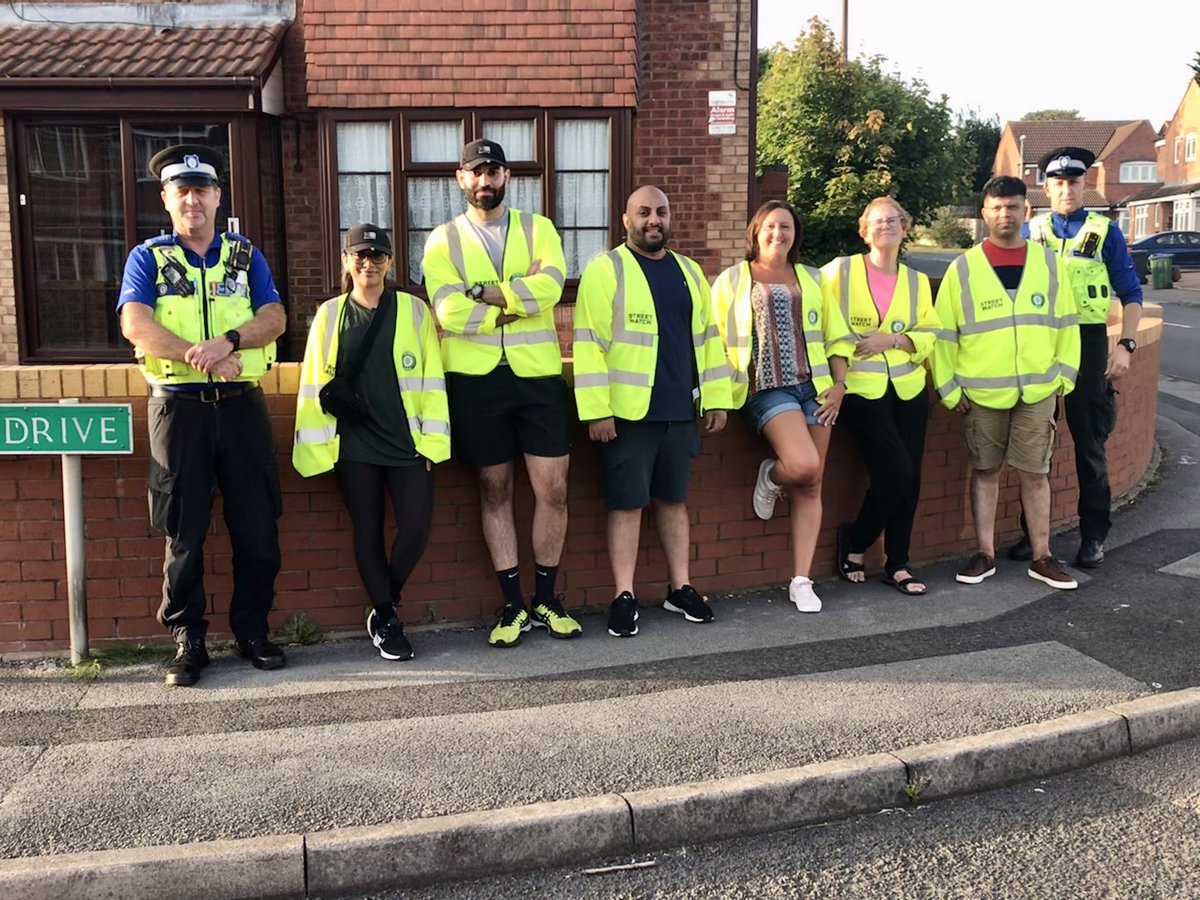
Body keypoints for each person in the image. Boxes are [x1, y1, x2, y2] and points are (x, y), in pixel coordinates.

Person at [117, 144, 287, 686]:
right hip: (178, 410)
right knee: (183, 531)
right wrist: (200, 354)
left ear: (217, 197)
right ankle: (189, 641)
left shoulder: (244, 255)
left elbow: (276, 316)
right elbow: (135, 324)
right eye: (181, 190)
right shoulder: (148, 258)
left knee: (257, 525)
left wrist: (229, 340)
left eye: (202, 189)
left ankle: (253, 631)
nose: (193, 199)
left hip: (241, 407)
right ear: (166, 199)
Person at [421, 139, 580, 647]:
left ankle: (547, 600)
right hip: (477, 380)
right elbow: (445, 310)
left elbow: (553, 286)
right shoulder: (442, 239)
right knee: (495, 490)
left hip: (537, 376)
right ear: (460, 179)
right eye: (475, 173)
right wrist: (513, 301)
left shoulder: (540, 229)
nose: (484, 180)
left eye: (493, 171)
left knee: (553, 490)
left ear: (507, 176)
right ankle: (512, 607)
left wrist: (480, 293)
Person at [575, 185, 733, 637]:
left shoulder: (689, 270)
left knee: (673, 501)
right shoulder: (608, 269)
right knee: (627, 506)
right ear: (626, 220)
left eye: (661, 212)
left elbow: (708, 338)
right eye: (643, 212)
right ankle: (623, 595)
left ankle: (680, 587)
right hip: (626, 414)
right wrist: (597, 411)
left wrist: (717, 397)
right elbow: (589, 344)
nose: (653, 220)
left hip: (680, 411)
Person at [293, 225, 450, 661]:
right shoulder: (329, 314)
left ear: (390, 262)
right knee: (368, 529)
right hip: (354, 445)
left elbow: (432, 379)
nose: (369, 262)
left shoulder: (415, 311)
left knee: (415, 530)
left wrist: (432, 442)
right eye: (360, 255)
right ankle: (388, 618)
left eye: (378, 255)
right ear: (346, 260)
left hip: (406, 442)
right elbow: (314, 381)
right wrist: (318, 444)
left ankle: (387, 599)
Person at [932, 175, 1081, 591]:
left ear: (1026, 211)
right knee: (985, 471)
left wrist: (1062, 380)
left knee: (1035, 473)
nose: (1005, 214)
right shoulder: (963, 268)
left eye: (1013, 206)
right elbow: (944, 334)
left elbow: (1067, 325)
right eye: (997, 208)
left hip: (1037, 390)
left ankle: (1043, 556)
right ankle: (984, 553)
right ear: (984, 214)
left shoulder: (1049, 264)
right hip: (981, 392)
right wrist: (948, 389)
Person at [1004, 146, 1144, 569]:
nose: (1066, 189)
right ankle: (1035, 535)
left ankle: (1093, 536)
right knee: (1036, 443)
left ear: (1086, 184)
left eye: (1074, 181)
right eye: (1059, 182)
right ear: (1046, 187)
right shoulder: (1032, 231)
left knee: (1089, 444)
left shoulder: (1105, 231)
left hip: (1087, 343)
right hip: (1041, 343)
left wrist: (1126, 345)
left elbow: (1132, 294)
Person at [711, 200, 845, 613]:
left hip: (815, 387)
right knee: (802, 466)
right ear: (756, 231)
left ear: (794, 233)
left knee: (813, 481)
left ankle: (801, 580)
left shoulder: (813, 278)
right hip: (765, 389)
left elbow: (836, 336)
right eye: (770, 226)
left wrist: (840, 385)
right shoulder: (733, 279)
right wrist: (716, 397)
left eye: (785, 227)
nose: (778, 234)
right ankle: (770, 473)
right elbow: (711, 342)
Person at [822, 197, 941, 596]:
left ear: (905, 228)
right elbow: (810, 304)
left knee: (911, 479)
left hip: (909, 388)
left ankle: (898, 563)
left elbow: (930, 334)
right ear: (863, 230)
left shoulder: (917, 281)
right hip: (860, 388)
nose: (885, 226)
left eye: (893, 220)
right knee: (896, 470)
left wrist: (893, 339)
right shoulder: (840, 271)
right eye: (876, 221)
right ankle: (855, 540)